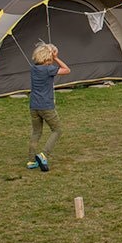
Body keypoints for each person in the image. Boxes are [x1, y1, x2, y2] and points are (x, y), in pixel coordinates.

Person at [26, 42, 70, 171]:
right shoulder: (49, 69)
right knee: (57, 130)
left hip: (33, 106)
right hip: (46, 106)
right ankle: (43, 154)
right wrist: (56, 58)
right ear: (49, 57)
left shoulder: (33, 68)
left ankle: (31, 161)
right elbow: (67, 70)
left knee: (36, 132)